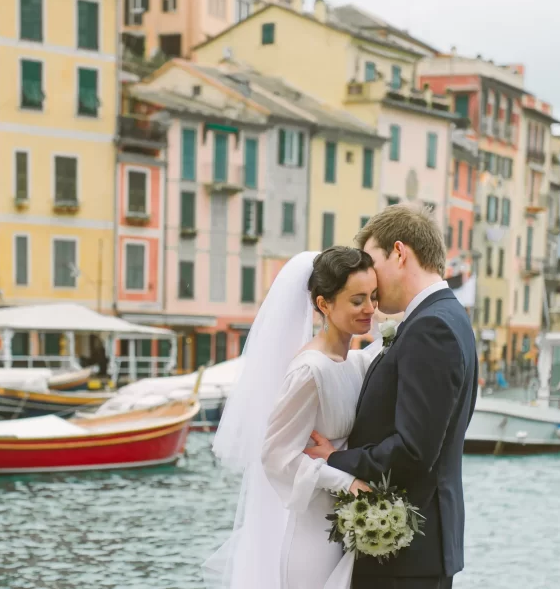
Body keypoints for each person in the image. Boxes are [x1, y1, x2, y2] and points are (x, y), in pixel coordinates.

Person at [305, 205, 478, 589]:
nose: (369, 279)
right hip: (415, 552)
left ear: (399, 253)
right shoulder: (446, 317)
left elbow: (413, 451)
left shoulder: (431, 327)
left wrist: (333, 458)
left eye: (372, 261)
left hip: (406, 559)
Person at [201, 246, 381, 589]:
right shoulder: (309, 372)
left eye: (373, 297)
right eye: (357, 300)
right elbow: (275, 455)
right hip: (314, 537)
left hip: (348, 527)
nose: (370, 309)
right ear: (324, 304)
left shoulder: (353, 362)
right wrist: (346, 482)